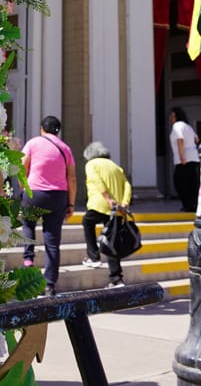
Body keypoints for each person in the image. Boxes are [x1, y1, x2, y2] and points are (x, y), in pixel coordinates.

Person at [21, 115, 76, 296]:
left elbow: (22, 166)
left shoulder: (33, 143)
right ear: (58, 131)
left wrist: (23, 187)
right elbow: (72, 178)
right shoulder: (65, 148)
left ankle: (28, 260)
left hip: (34, 193)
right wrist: (71, 203)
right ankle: (49, 284)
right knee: (52, 242)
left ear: (41, 129)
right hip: (58, 196)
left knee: (28, 225)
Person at [80, 141, 133, 289]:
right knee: (112, 241)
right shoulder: (115, 166)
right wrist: (125, 203)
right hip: (116, 209)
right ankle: (117, 279)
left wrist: (107, 198)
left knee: (87, 222)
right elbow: (127, 185)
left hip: (100, 204)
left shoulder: (91, 164)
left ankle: (94, 256)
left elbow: (97, 180)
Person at [169, 107, 201, 212]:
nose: (170, 118)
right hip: (194, 157)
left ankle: (187, 205)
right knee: (193, 183)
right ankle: (194, 205)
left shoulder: (177, 126)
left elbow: (180, 140)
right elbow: (197, 139)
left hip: (184, 159)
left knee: (180, 182)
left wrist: (182, 156)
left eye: (172, 115)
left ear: (176, 116)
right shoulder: (188, 126)